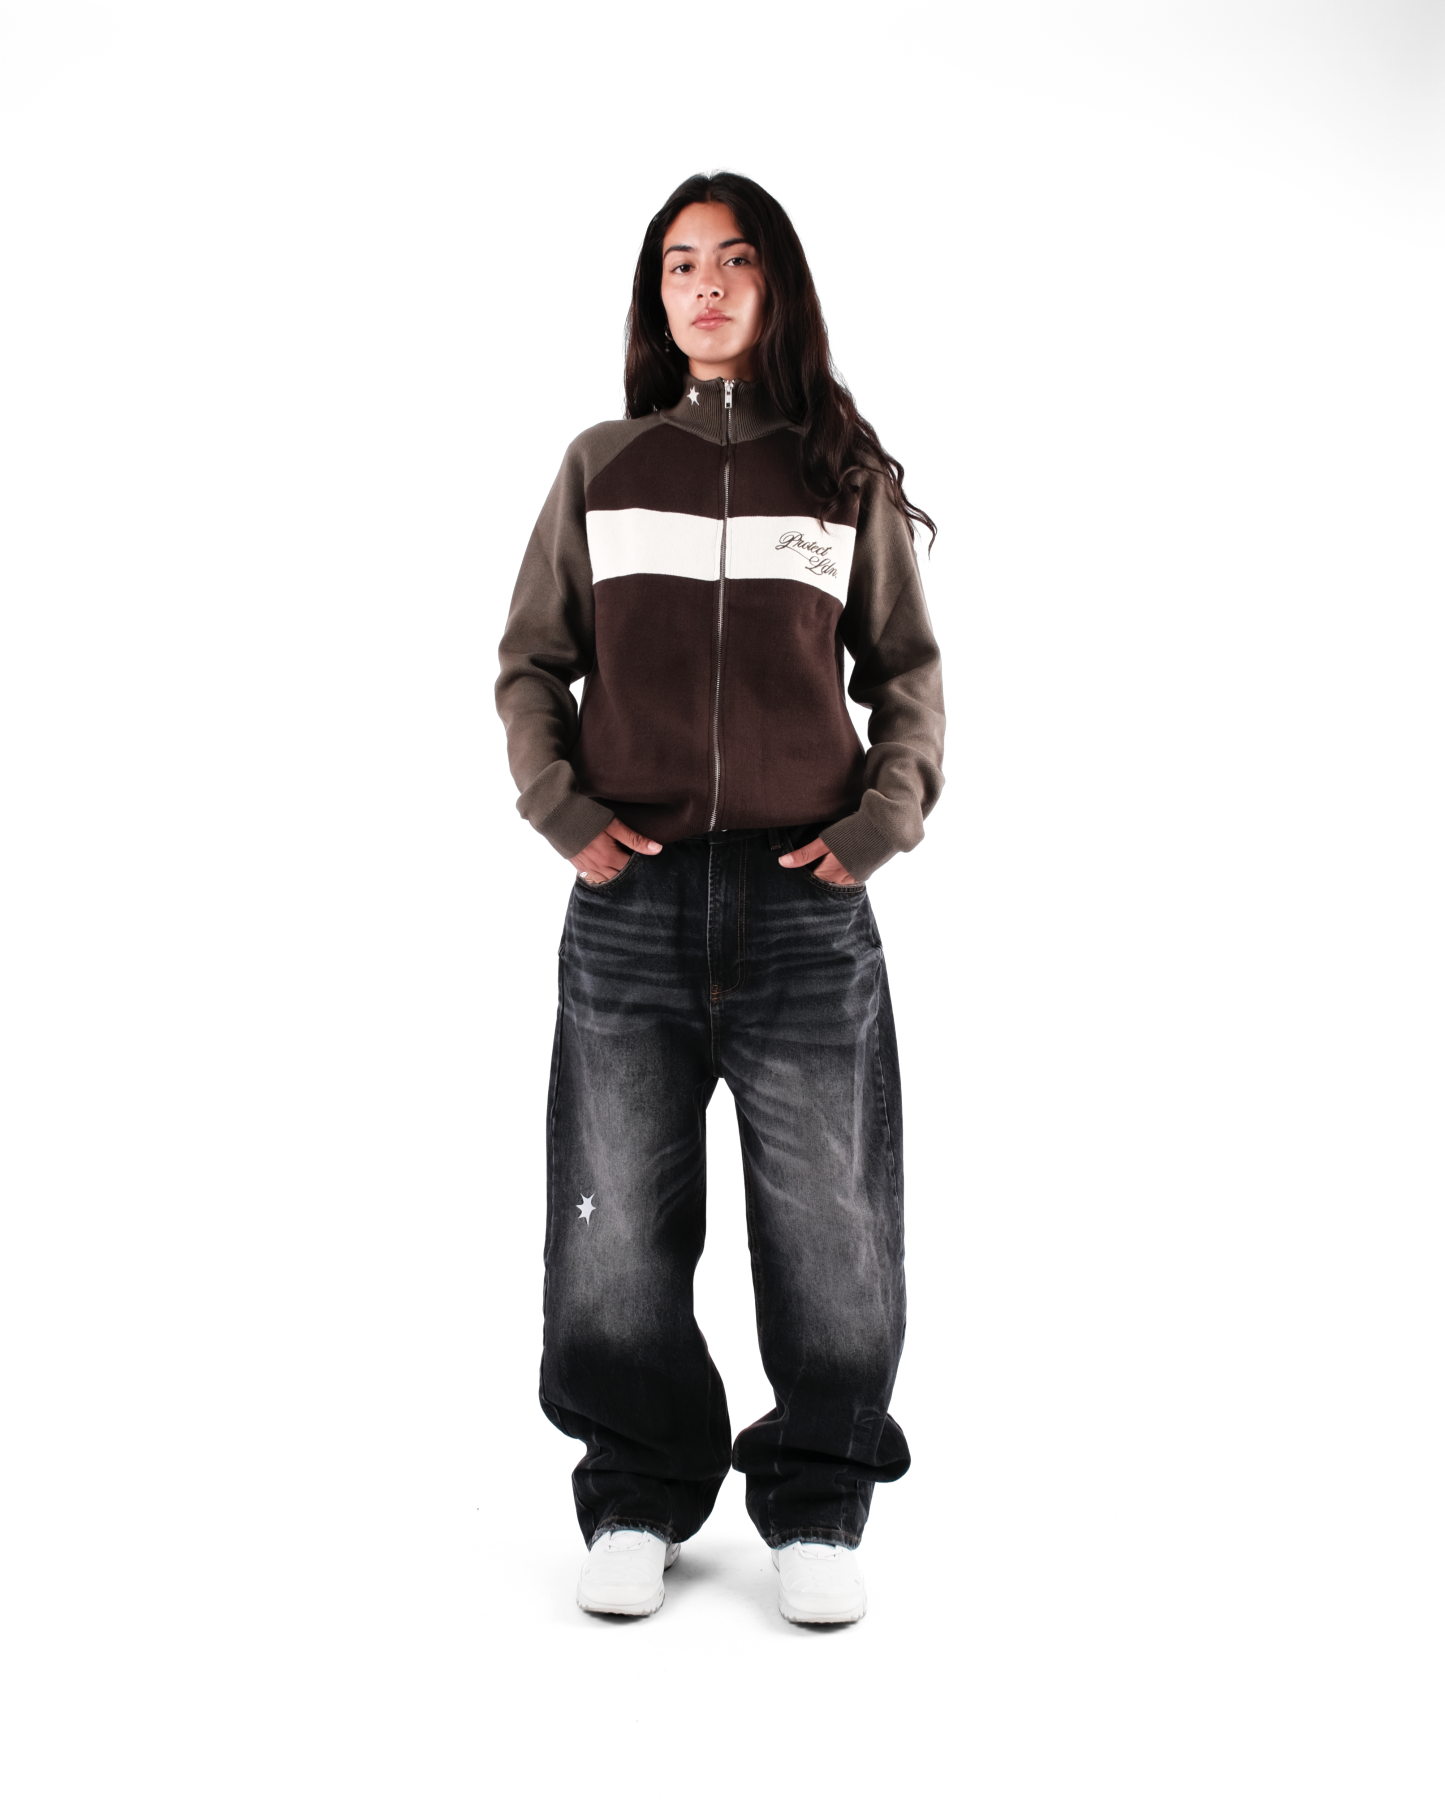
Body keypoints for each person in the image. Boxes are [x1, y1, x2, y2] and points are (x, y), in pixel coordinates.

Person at [495, 171, 945, 1625]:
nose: (705, 284)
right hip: (627, 905)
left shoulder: (840, 476)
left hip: (806, 907)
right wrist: (564, 811)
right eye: (681, 262)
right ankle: (637, 1490)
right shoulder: (605, 465)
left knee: (832, 1228)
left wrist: (880, 823)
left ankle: (817, 1502)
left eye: (733, 260)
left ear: (775, 286)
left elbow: (907, 675)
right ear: (657, 294)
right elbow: (531, 662)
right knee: (614, 1225)